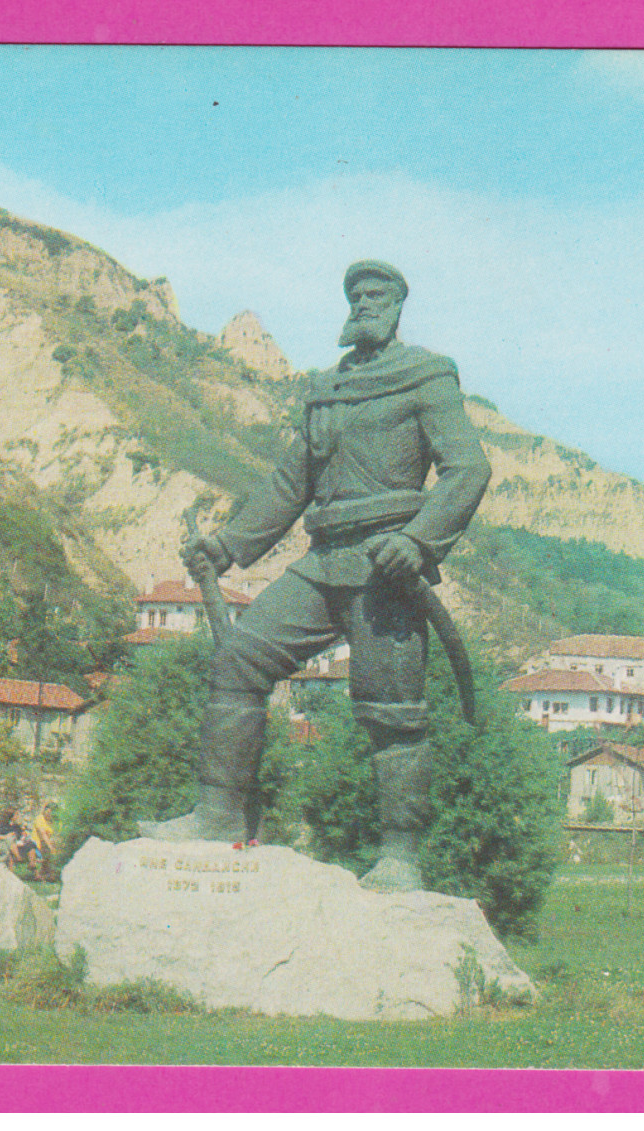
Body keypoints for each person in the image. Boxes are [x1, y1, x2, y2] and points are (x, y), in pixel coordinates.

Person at [143, 260, 492, 892]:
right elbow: (291, 483)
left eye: (375, 294)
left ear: (397, 306)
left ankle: (400, 858)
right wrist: (228, 547)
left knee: (392, 712)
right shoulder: (325, 391)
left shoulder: (427, 376)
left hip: (386, 568)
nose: (363, 303)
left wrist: (418, 540)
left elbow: (467, 469)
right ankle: (218, 815)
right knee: (240, 660)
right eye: (355, 294)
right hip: (322, 558)